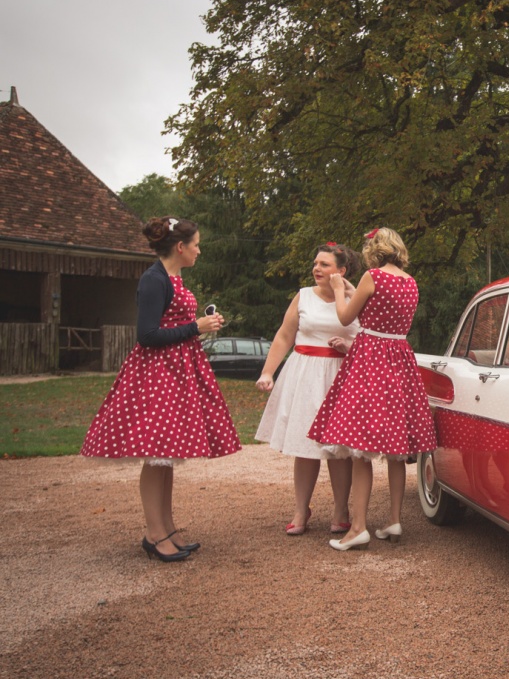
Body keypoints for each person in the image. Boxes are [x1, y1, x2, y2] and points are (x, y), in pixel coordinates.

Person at [81, 216, 241, 562]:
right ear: (180, 247)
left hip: (177, 370)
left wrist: (198, 326)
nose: (199, 250)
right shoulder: (154, 280)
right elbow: (148, 336)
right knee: (156, 456)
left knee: (165, 456)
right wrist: (195, 328)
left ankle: (166, 528)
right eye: (196, 244)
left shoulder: (172, 276)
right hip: (157, 374)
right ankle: (155, 534)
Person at [307, 228, 437, 551]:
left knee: (359, 447)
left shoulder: (372, 276)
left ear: (375, 249)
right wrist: (353, 288)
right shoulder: (410, 282)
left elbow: (345, 315)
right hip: (399, 360)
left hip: (370, 359)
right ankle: (394, 520)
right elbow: (382, 307)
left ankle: (359, 528)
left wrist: (339, 289)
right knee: (395, 449)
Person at [254, 242, 361, 536]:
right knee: (305, 447)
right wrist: (267, 372)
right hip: (304, 374)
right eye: (316, 263)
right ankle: (301, 509)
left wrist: (348, 345)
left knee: (339, 449)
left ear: (341, 271)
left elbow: (368, 340)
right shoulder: (302, 297)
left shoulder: (357, 299)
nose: (317, 269)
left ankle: (341, 510)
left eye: (324, 265)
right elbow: (284, 335)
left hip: (340, 377)